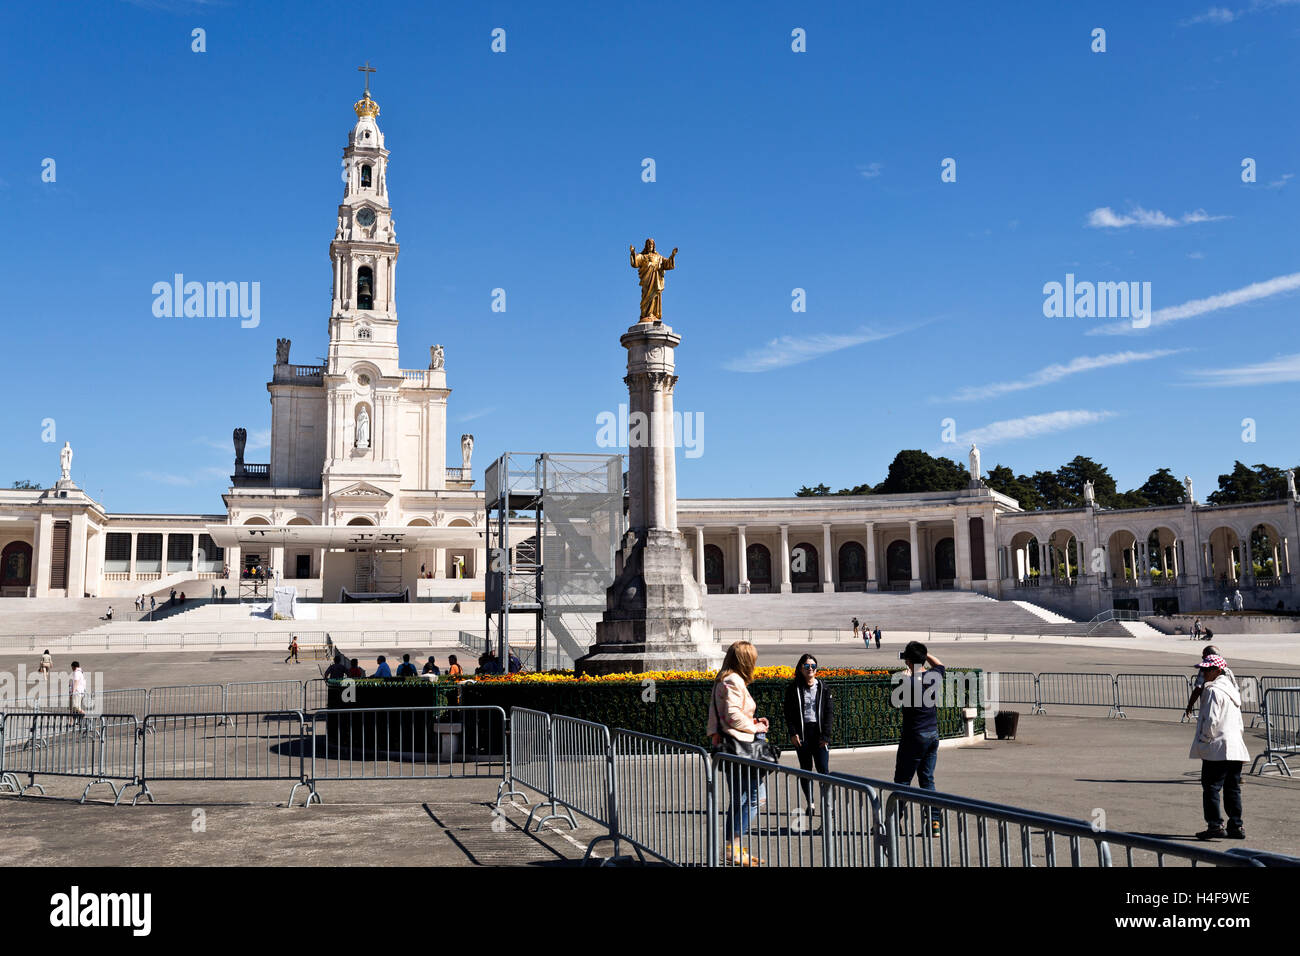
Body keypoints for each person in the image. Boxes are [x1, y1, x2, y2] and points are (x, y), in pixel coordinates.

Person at [707, 640, 767, 866]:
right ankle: (733, 848)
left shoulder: (724, 679)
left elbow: (724, 716)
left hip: (730, 746)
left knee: (743, 800)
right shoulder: (733, 680)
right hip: (738, 748)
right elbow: (731, 715)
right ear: (745, 660)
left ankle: (735, 849)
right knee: (752, 799)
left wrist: (752, 720)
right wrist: (755, 727)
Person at [1190, 654, 1249, 840]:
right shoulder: (1232, 691)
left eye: (1207, 669)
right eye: (1203, 669)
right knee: (1232, 787)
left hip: (1217, 747)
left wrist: (1204, 740)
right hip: (1234, 746)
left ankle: (1215, 825)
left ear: (1217, 670)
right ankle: (1236, 826)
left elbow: (1211, 720)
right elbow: (1239, 723)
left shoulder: (1213, 691)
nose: (1204, 673)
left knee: (1211, 787)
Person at [893, 640, 945, 835]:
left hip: (914, 736)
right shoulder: (934, 675)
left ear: (907, 661)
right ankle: (934, 822)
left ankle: (894, 821)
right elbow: (939, 664)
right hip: (932, 734)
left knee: (902, 780)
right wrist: (924, 654)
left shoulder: (907, 681)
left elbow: (895, 703)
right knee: (927, 779)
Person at [783, 653, 833, 816]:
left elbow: (829, 712)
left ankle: (827, 805)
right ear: (800, 668)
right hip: (803, 734)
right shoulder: (794, 688)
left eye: (813, 666)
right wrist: (793, 733)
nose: (810, 669)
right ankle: (810, 803)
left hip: (819, 735)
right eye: (807, 666)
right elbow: (788, 713)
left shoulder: (823, 687)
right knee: (806, 770)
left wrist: (826, 736)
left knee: (823, 770)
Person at [1185, 644, 1237, 718]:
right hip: (1230, 710)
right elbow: (1235, 690)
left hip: (1211, 707)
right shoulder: (1229, 671)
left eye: (1204, 655)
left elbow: (1198, 689)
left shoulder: (1206, 670)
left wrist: (1190, 705)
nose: (1202, 657)